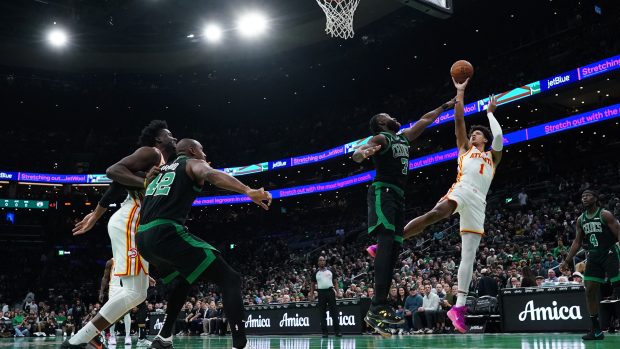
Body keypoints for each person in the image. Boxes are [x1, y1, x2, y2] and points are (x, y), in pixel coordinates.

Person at [370, 80, 504, 334]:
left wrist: (490, 113)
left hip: (479, 202)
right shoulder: (465, 149)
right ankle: (385, 245)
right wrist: (460, 92)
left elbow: (498, 136)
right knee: (435, 214)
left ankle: (459, 308)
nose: (474, 135)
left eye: (478, 134)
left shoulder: (493, 156)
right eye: (473, 133)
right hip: (462, 189)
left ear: (484, 139)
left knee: (469, 256)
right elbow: (459, 122)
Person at [135, 139, 272, 349]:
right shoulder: (191, 163)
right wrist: (247, 190)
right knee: (231, 279)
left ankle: (163, 337)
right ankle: (240, 344)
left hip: (143, 237)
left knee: (183, 280)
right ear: (192, 151)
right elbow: (211, 174)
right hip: (165, 231)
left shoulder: (158, 172)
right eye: (202, 150)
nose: (205, 154)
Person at [63, 120, 176, 349]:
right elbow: (113, 171)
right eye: (169, 135)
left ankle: (88, 336)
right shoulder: (152, 152)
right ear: (158, 140)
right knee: (134, 293)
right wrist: (146, 184)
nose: (174, 138)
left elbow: (117, 183)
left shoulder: (164, 163)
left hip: (136, 222)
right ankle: (78, 340)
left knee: (140, 293)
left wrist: (96, 215)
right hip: (130, 219)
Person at [352, 95, 456, 336]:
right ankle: (377, 304)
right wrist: (364, 153)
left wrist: (445, 106)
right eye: (387, 116)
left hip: (398, 196)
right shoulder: (380, 137)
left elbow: (426, 119)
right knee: (386, 243)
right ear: (381, 123)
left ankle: (379, 307)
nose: (393, 117)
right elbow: (358, 153)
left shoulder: (403, 136)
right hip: (382, 192)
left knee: (395, 249)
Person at [561, 189, 620, 341]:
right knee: (589, 291)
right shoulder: (581, 219)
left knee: (618, 288)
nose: (584, 198)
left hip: (610, 252)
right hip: (593, 255)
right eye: (582, 196)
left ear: (595, 198)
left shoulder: (605, 214)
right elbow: (577, 242)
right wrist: (567, 260)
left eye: (588, 195)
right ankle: (596, 329)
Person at [100, 258, 132, 345]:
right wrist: (101, 292)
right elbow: (105, 277)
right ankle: (112, 336)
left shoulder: (128, 260)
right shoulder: (110, 262)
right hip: (113, 288)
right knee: (112, 313)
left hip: (126, 287)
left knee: (126, 312)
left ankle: (128, 336)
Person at [309, 256, 341, 338]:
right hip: (321, 293)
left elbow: (335, 282)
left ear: (325, 262)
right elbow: (312, 285)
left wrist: (338, 292)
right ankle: (325, 332)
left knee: (334, 313)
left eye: (323, 260)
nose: (322, 261)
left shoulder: (331, 270)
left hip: (330, 292)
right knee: (322, 313)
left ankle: (337, 332)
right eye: (320, 260)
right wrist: (311, 295)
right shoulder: (315, 272)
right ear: (318, 262)